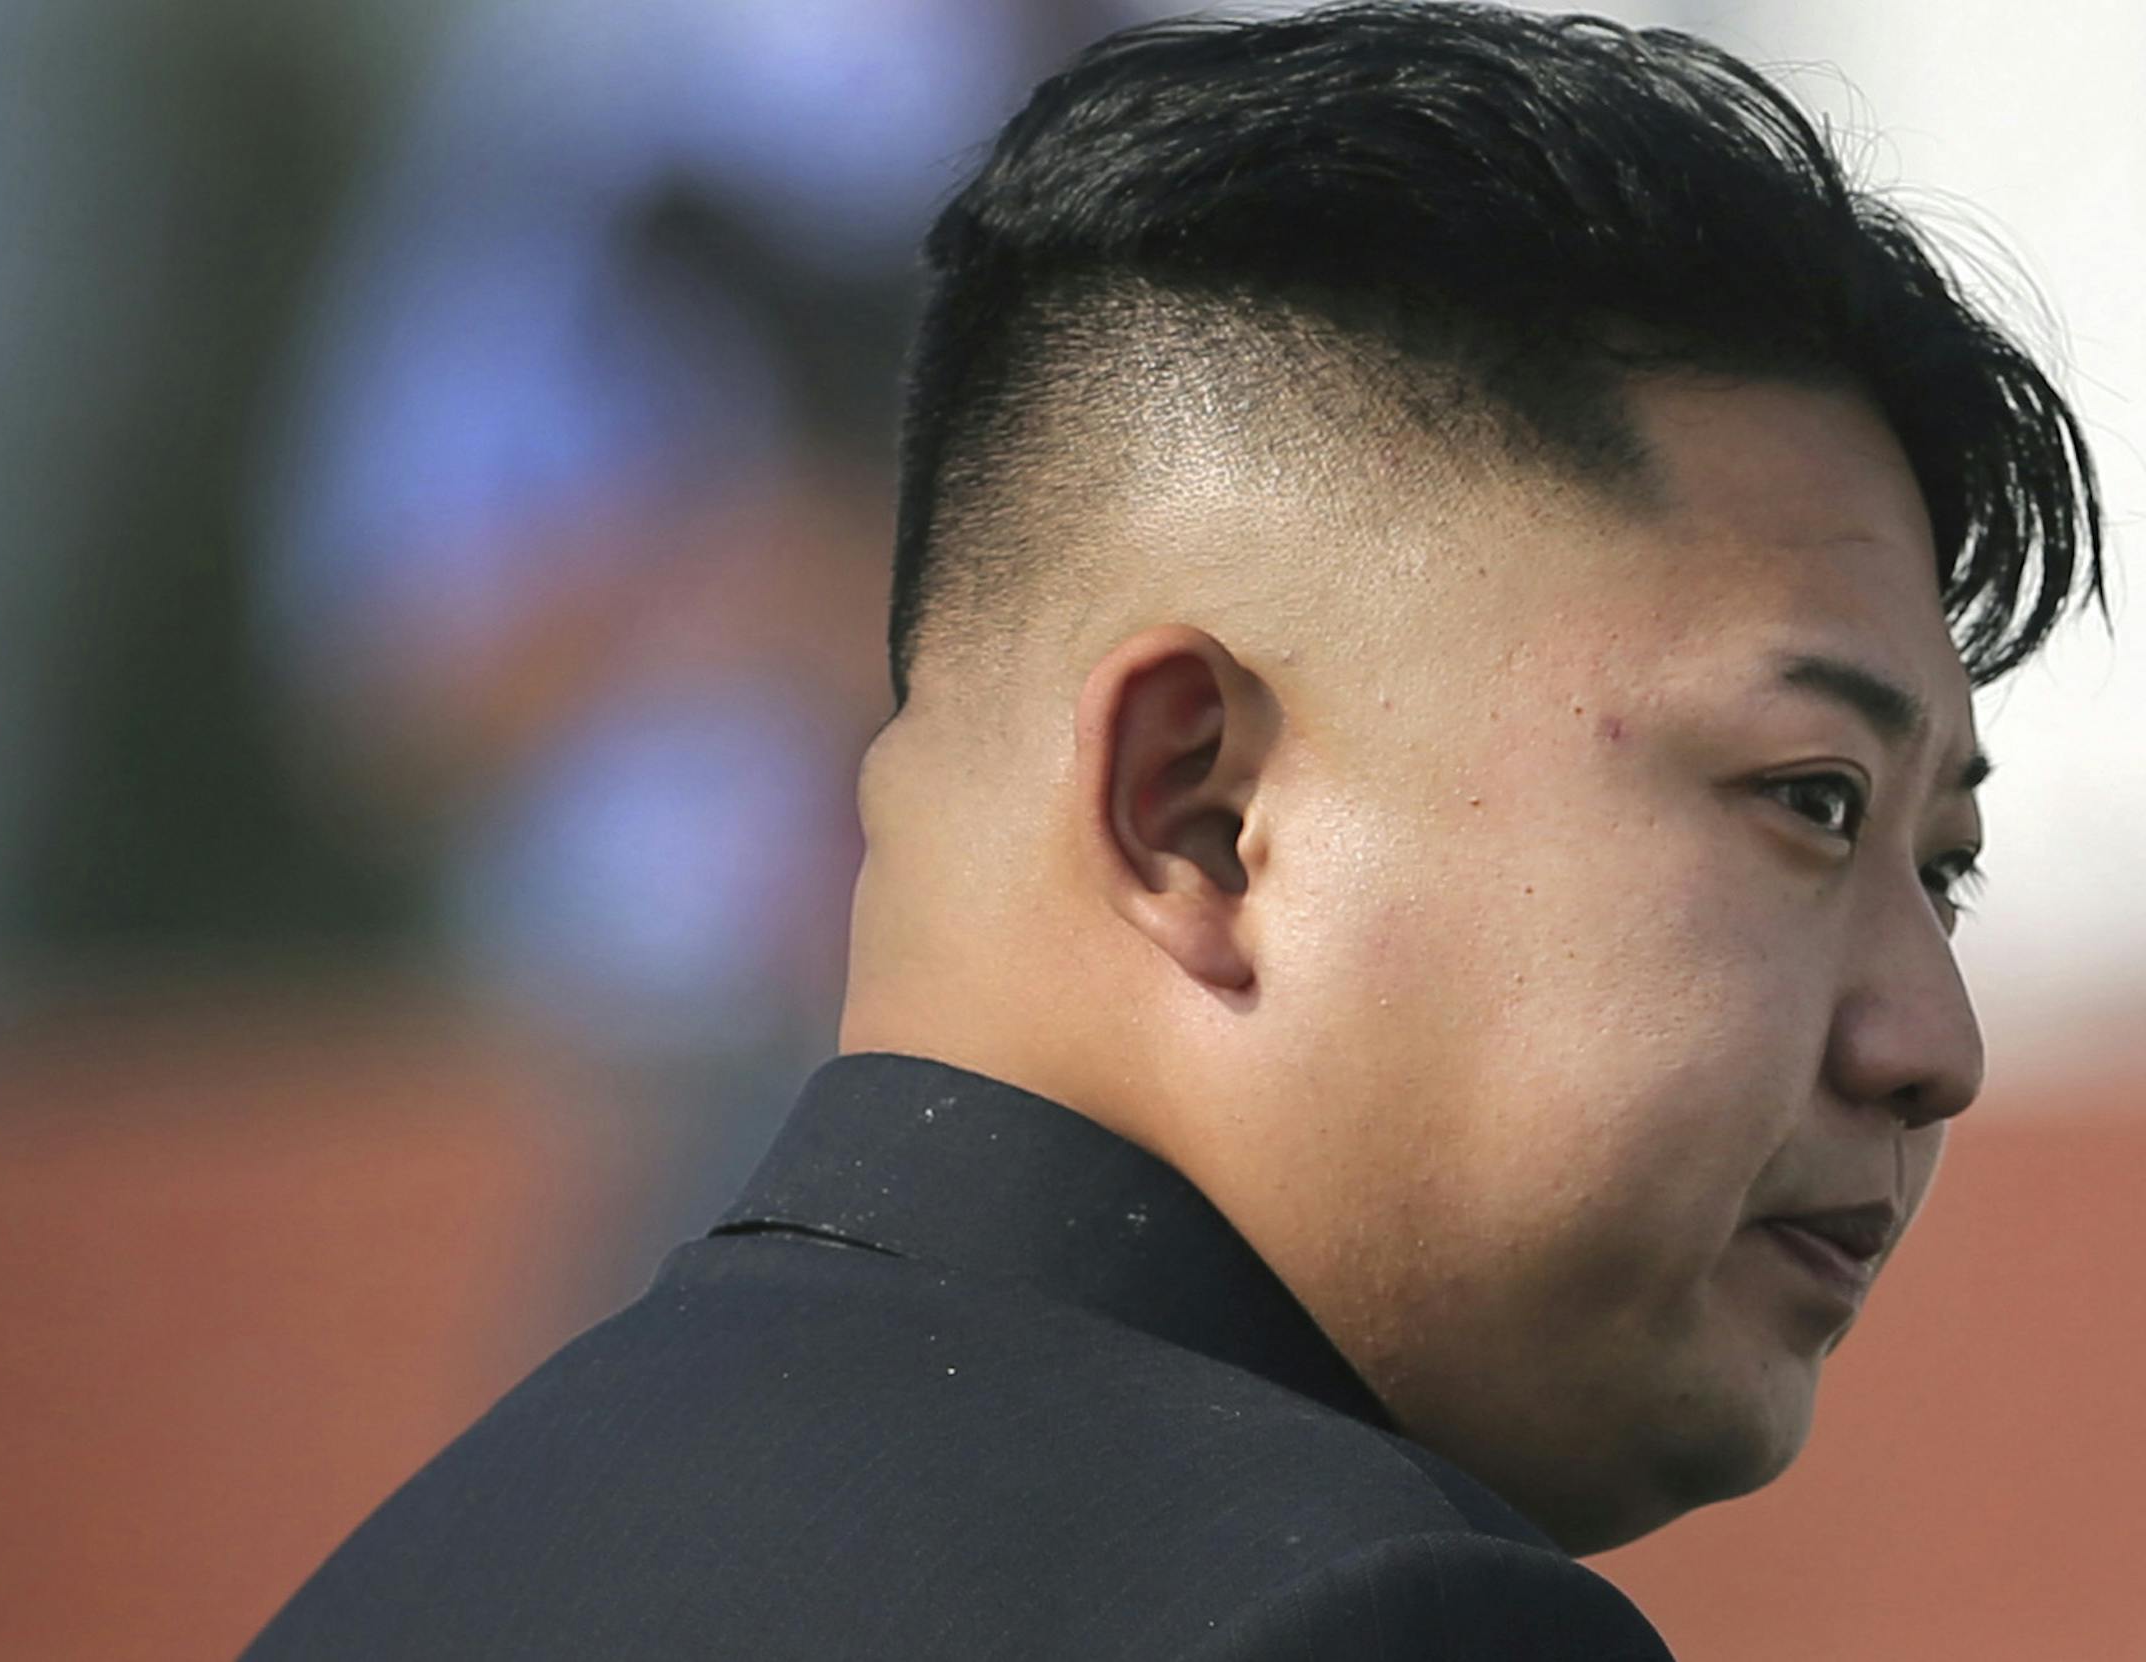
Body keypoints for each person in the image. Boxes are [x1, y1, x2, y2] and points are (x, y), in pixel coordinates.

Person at [242, 3, 2107, 1656]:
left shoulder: (430, 1562)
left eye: (1939, 871)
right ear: (1197, 804)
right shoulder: (1362, 1610)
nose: (1930, 1044)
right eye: (1810, 800)